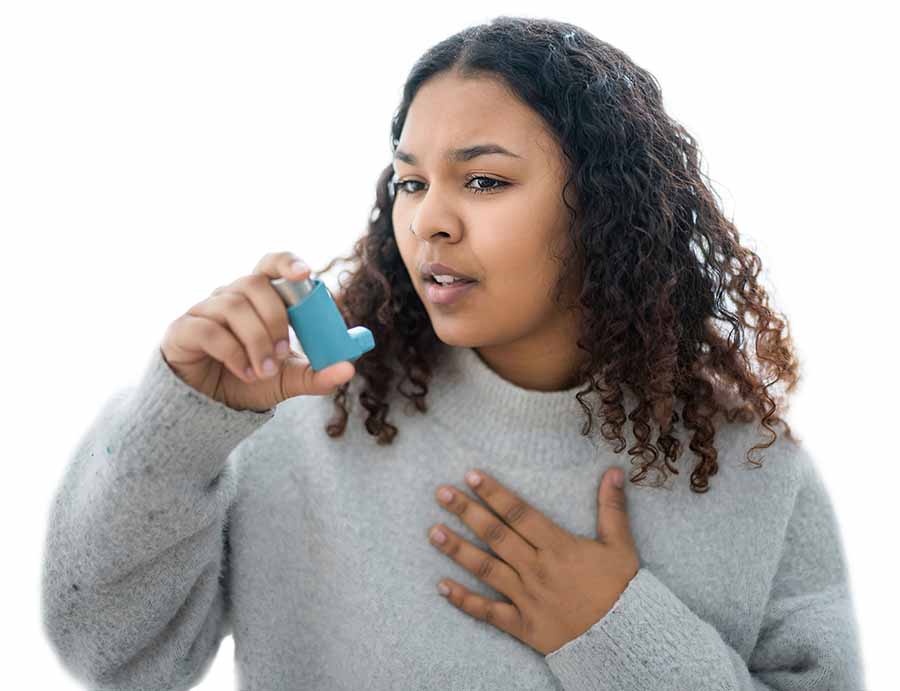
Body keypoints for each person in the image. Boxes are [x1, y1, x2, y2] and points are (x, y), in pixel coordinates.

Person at [40, 16, 866, 690]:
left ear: (605, 211)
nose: (429, 219)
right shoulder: (302, 419)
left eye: (483, 181)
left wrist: (614, 629)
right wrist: (181, 420)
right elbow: (113, 655)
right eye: (410, 182)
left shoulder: (752, 473)